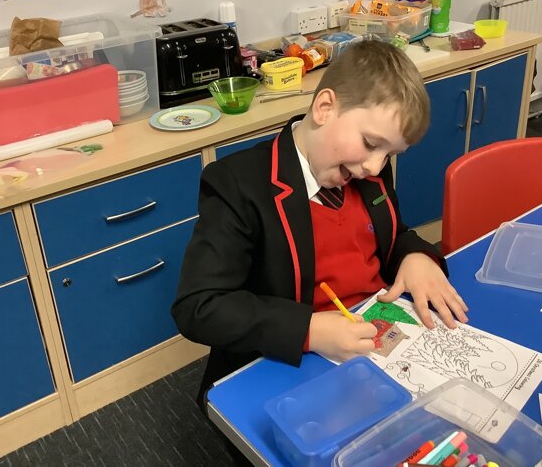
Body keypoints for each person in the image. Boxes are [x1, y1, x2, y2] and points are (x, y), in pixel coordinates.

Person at [171, 40, 469, 413]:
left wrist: (416, 256)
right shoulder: (238, 183)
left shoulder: (366, 171)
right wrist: (308, 331)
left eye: (390, 154)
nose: (375, 167)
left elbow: (389, 235)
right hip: (292, 363)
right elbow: (199, 306)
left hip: (376, 340)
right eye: (370, 144)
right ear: (325, 107)